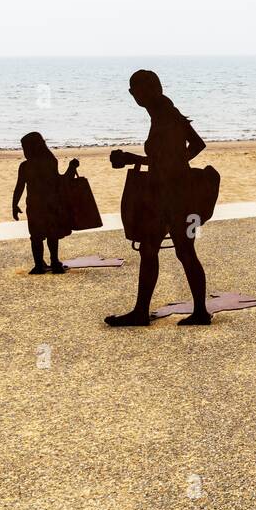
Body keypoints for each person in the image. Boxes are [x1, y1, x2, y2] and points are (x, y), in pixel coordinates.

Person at [104, 70, 209, 326]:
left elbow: (169, 158)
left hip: (172, 196)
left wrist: (131, 158)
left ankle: (196, 312)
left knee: (180, 252)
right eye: (131, 90)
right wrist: (178, 166)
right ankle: (147, 311)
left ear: (151, 90)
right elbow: (196, 146)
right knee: (159, 251)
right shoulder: (166, 113)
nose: (133, 94)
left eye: (136, 89)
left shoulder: (165, 116)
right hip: (169, 191)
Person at [12, 131, 79, 274]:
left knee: (36, 237)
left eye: (25, 148)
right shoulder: (49, 162)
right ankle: (54, 262)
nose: (24, 152)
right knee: (52, 235)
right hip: (50, 205)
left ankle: (38, 265)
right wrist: (72, 168)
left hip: (34, 207)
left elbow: (19, 187)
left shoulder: (25, 166)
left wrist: (14, 204)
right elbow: (61, 182)